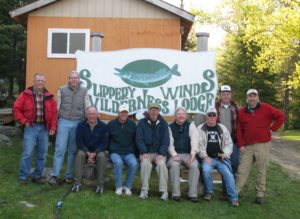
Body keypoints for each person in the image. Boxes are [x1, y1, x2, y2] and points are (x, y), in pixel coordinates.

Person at [236, 89, 285, 204]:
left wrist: (273, 129)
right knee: (242, 170)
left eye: (254, 96)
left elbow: (281, 116)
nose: (252, 98)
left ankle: (259, 194)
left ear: (258, 97)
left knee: (261, 170)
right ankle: (235, 192)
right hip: (247, 146)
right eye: (250, 96)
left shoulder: (266, 108)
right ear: (247, 98)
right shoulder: (242, 111)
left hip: (262, 145)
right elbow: (239, 129)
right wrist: (241, 144)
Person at [13, 73, 57, 184]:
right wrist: (23, 121)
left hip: (44, 128)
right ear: (34, 81)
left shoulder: (49, 96)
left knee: (42, 153)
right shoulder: (25, 94)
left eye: (42, 81)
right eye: (38, 80)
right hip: (31, 127)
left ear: (45, 82)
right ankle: (23, 176)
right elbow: (16, 109)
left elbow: (54, 114)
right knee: (27, 153)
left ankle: (37, 176)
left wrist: (52, 127)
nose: (40, 83)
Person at [49, 71, 90, 185]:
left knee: (72, 150)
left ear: (79, 79)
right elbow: (57, 107)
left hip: (78, 122)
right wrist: (54, 123)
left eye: (75, 78)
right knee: (60, 149)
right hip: (64, 121)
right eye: (71, 78)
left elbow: (87, 106)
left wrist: (89, 120)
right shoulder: (61, 89)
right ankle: (55, 175)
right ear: (68, 79)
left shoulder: (84, 91)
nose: (74, 80)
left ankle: (69, 176)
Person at [198, 108, 239, 207]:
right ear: (206, 117)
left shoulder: (222, 128)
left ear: (217, 116)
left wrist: (224, 154)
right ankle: (209, 192)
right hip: (208, 158)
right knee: (206, 170)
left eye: (213, 115)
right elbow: (199, 145)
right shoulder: (200, 128)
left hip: (221, 158)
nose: (212, 117)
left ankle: (233, 198)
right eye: (209, 115)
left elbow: (229, 144)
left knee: (229, 175)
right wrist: (204, 156)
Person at [136, 103, 169, 201]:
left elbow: (165, 140)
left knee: (161, 164)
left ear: (158, 112)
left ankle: (164, 191)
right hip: (146, 152)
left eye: (156, 110)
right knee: (145, 163)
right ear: (148, 111)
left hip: (159, 153)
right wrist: (144, 152)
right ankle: (144, 190)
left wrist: (162, 153)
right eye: (152, 110)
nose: (154, 112)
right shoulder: (142, 123)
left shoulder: (163, 123)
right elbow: (139, 139)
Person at [71, 106, 108, 194]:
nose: (92, 116)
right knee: (80, 154)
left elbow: (105, 143)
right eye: (90, 114)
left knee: (102, 156)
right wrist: (87, 153)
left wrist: (94, 154)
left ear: (97, 115)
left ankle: (100, 184)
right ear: (87, 115)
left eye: (93, 114)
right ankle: (77, 183)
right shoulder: (81, 125)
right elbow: (79, 141)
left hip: (98, 151)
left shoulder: (103, 126)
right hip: (85, 150)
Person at [168, 107, 200, 202]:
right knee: (174, 165)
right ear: (175, 116)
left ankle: (192, 194)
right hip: (174, 154)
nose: (181, 115)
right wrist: (174, 154)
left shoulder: (191, 125)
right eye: (178, 114)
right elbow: (169, 143)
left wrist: (193, 154)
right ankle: (176, 194)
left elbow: (195, 140)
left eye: (183, 114)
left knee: (194, 165)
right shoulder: (170, 127)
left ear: (186, 115)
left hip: (188, 154)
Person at [108, 104, 138, 196]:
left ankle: (128, 186)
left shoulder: (133, 125)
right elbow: (106, 139)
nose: (124, 114)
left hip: (128, 152)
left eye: (125, 112)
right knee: (118, 163)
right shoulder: (111, 124)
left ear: (128, 114)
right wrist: (108, 150)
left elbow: (136, 140)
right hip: (115, 152)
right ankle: (119, 186)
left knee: (134, 163)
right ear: (118, 113)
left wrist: (137, 153)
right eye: (122, 112)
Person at [215, 85, 239, 175]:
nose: (226, 96)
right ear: (220, 95)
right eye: (223, 94)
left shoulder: (236, 107)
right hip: (218, 141)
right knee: (222, 164)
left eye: (228, 94)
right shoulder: (215, 107)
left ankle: (231, 186)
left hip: (233, 140)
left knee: (235, 163)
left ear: (230, 95)